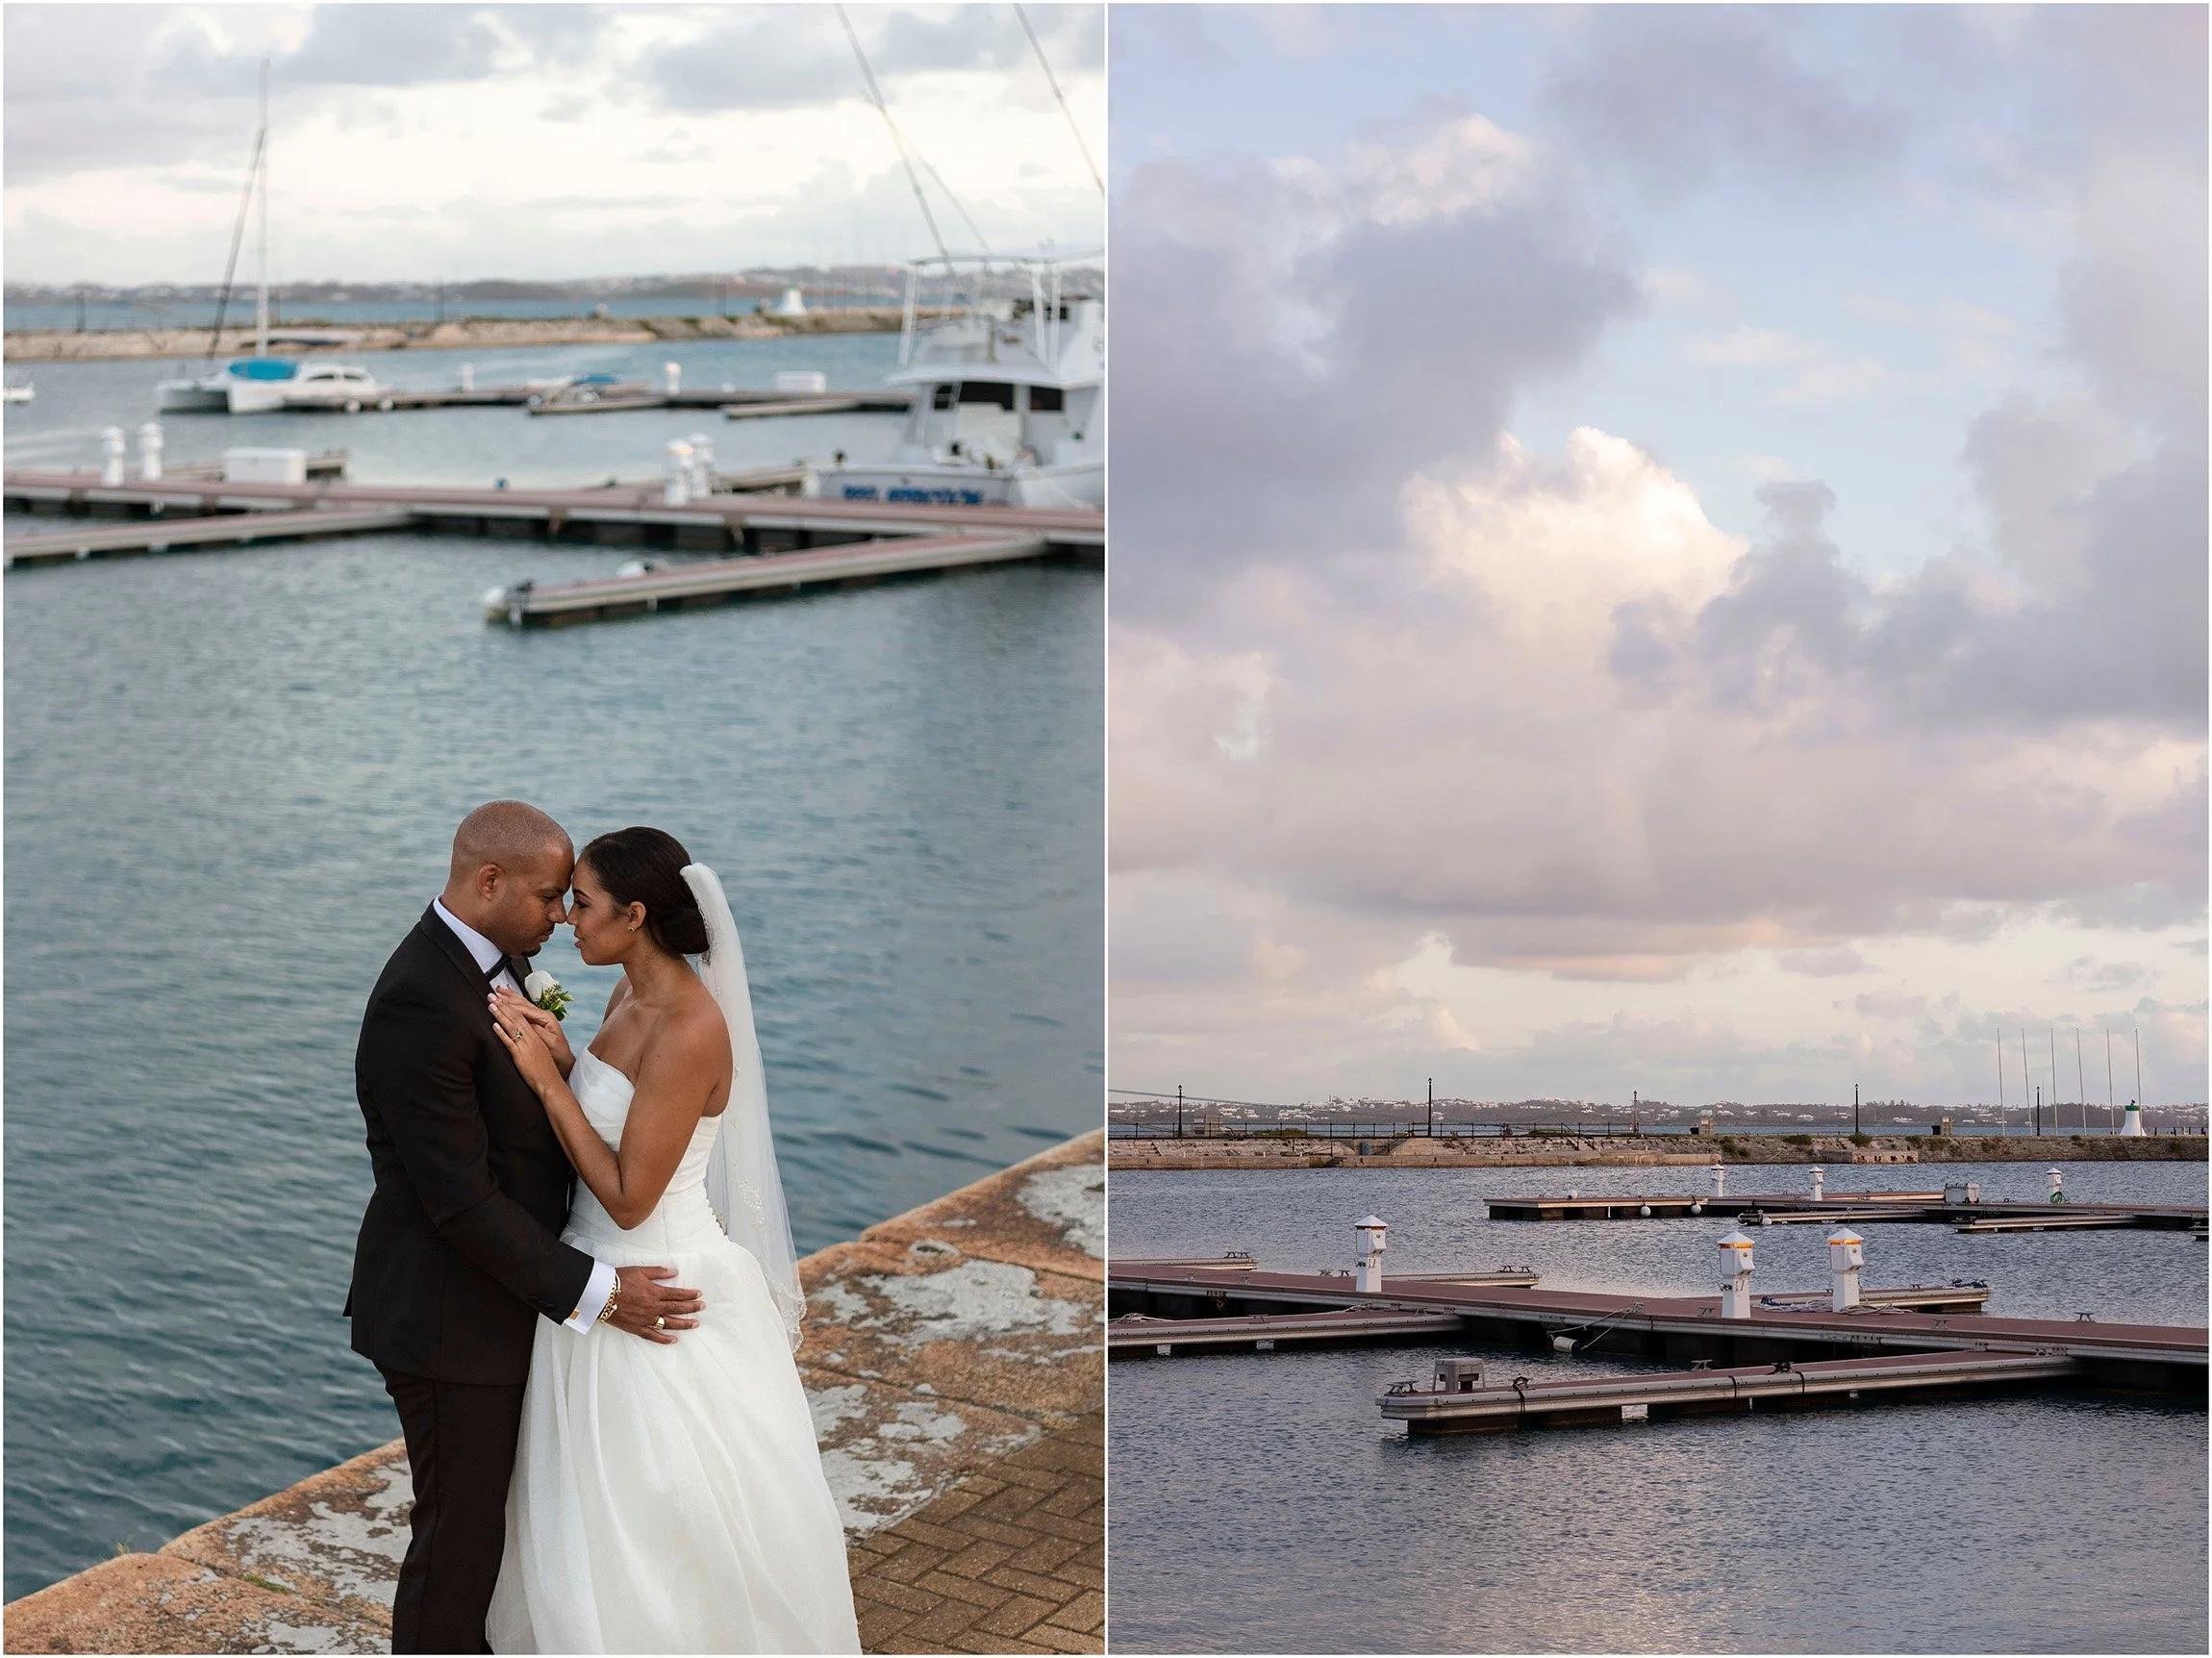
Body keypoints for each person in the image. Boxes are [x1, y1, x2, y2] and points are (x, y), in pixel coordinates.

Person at [484, 826, 860, 1654]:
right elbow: (623, 1112)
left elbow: (626, 1196)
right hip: (589, 1289)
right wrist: (565, 1052)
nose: (565, 921)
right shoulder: (627, 994)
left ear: (636, 913)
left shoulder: (691, 1026)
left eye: (582, 904)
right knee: (583, 1524)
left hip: (653, 1290)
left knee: (664, 1526)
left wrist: (548, 1085)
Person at [347, 801, 702, 1654]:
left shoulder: (501, 963)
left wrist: (566, 1072)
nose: (559, 916)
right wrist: (601, 1292)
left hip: (510, 1305)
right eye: (549, 897)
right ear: (488, 880)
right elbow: (458, 1200)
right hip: (449, 1321)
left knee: (506, 1540)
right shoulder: (420, 999)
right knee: (458, 1547)